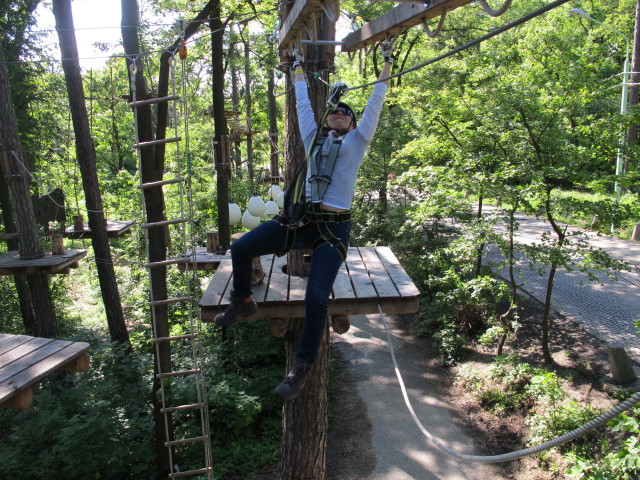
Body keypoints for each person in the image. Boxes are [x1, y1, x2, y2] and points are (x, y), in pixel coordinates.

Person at [214, 42, 394, 401]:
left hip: (333, 229)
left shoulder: (357, 142)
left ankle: (303, 365)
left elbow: (375, 102)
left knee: (316, 297)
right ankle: (243, 299)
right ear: (328, 119)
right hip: (300, 221)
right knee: (242, 247)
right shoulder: (313, 141)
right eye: (335, 110)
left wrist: (387, 64)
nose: (340, 112)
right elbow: (302, 105)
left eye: (347, 112)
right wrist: (296, 67)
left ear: (354, 123)